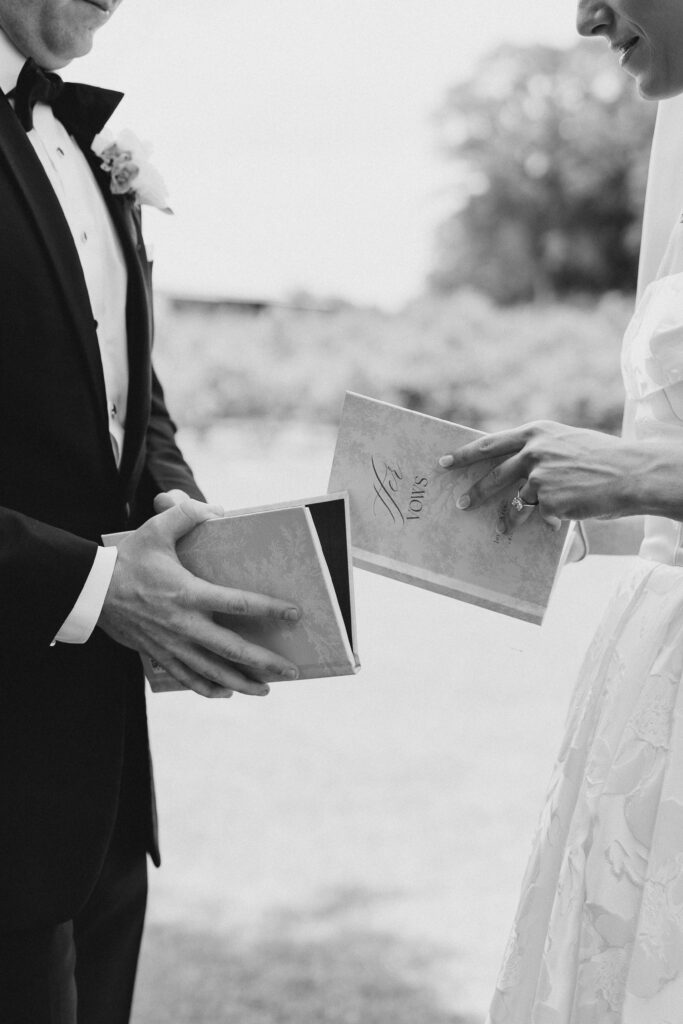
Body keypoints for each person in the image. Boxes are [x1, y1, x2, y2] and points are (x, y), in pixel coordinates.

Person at [0, 2, 303, 1021]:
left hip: (97, 789)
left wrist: (182, 517)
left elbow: (123, 396)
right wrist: (95, 585)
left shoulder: (82, 138)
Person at [437, 0, 683, 1018]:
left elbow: (656, 472)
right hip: (655, 689)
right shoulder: (675, 143)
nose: (583, 17)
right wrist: (570, 504)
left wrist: (635, 475)